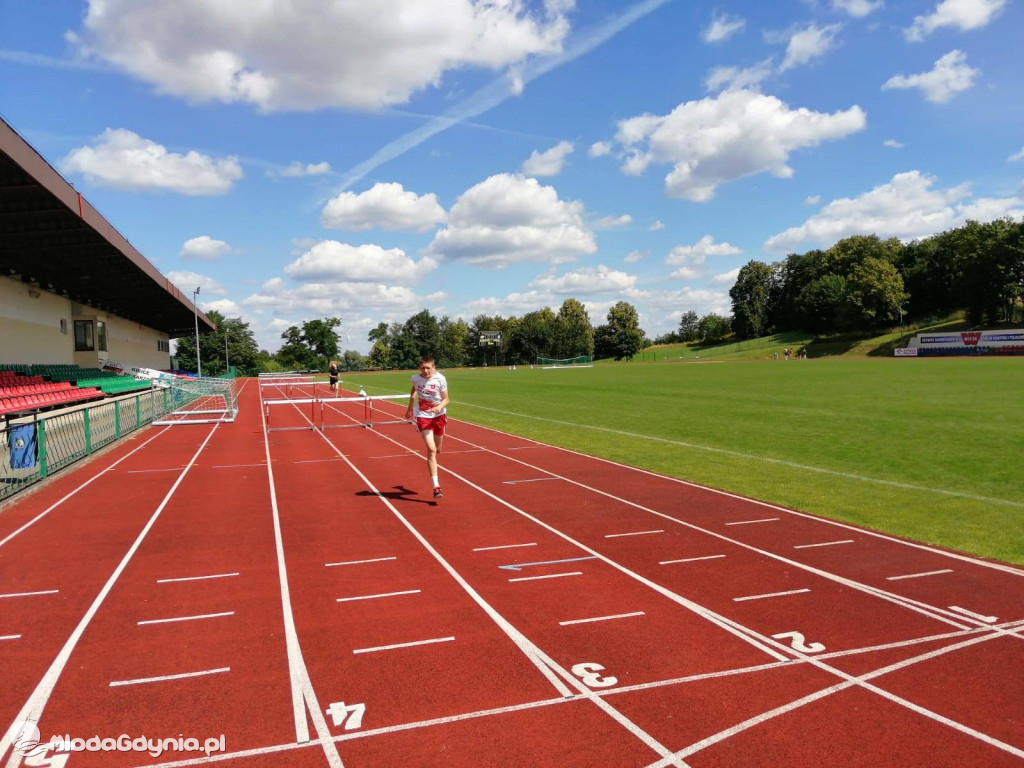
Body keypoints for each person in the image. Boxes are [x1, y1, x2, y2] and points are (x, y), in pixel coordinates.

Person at [404, 356, 449, 500]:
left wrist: (439, 407)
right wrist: (410, 407)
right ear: (419, 368)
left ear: (433, 368)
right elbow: (414, 389)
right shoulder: (415, 378)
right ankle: (436, 487)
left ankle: (435, 452)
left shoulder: (440, 379)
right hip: (423, 415)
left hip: (439, 415)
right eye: (423, 368)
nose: (426, 371)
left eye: (428, 368)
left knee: (438, 449)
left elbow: (446, 399)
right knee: (431, 449)